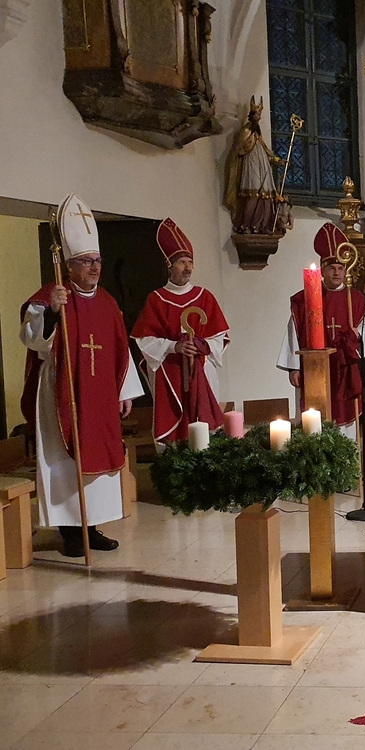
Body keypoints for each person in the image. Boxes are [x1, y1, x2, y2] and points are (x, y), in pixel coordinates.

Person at [20, 194, 144, 557]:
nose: (95, 267)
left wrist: (125, 391)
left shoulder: (107, 303)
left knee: (98, 462)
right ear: (69, 266)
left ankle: (93, 527)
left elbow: (121, 350)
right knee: (65, 462)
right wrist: (51, 312)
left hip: (100, 398)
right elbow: (32, 340)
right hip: (62, 394)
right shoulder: (52, 296)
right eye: (87, 261)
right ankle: (71, 532)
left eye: (97, 261)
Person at [132, 218, 230, 444]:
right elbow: (144, 340)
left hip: (201, 371)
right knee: (176, 434)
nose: (187, 268)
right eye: (182, 262)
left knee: (204, 434)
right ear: (170, 265)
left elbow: (220, 338)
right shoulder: (156, 299)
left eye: (190, 262)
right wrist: (174, 346)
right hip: (170, 374)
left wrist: (200, 346)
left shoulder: (205, 297)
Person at [277, 223, 365, 438]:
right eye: (332, 268)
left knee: (345, 416)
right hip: (314, 368)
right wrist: (294, 368)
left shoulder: (355, 299)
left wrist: (356, 336)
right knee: (314, 418)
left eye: (340, 268)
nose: (337, 272)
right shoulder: (305, 299)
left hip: (343, 367)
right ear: (322, 270)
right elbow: (295, 331)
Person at [223, 96, 289, 234]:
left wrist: (278, 160)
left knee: (266, 195)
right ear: (252, 115)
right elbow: (238, 150)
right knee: (252, 193)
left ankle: (262, 225)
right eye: (257, 114)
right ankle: (246, 224)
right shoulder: (246, 131)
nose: (259, 117)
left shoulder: (258, 133)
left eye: (260, 114)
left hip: (262, 167)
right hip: (250, 166)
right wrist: (245, 149)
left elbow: (265, 151)